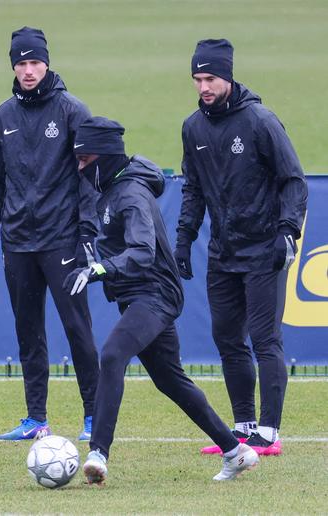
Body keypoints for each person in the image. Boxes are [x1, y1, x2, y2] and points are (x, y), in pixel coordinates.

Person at [66, 116, 259, 485]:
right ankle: (236, 452)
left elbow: (141, 251)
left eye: (84, 160)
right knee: (170, 380)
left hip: (155, 294)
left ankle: (98, 453)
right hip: (138, 295)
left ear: (105, 157)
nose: (79, 168)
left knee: (111, 355)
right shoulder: (110, 190)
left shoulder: (131, 195)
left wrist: (101, 269)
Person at [176, 39, 308, 456]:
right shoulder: (192, 127)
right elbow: (193, 190)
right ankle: (243, 426)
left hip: (265, 249)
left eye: (210, 78)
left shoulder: (260, 121)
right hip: (222, 252)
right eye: (197, 79)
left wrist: (287, 233)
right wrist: (184, 240)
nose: (203, 87)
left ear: (228, 76)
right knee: (227, 339)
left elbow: (293, 180)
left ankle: (268, 433)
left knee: (264, 339)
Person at [0, 26, 100, 441]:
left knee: (77, 328)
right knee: (28, 331)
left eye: (35, 62)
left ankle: (93, 416)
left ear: (46, 63)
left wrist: (87, 232)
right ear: (13, 65)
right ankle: (35, 419)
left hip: (62, 239)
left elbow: (88, 180)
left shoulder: (72, 111)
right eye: (21, 62)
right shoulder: (2, 117)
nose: (28, 70)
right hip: (17, 242)